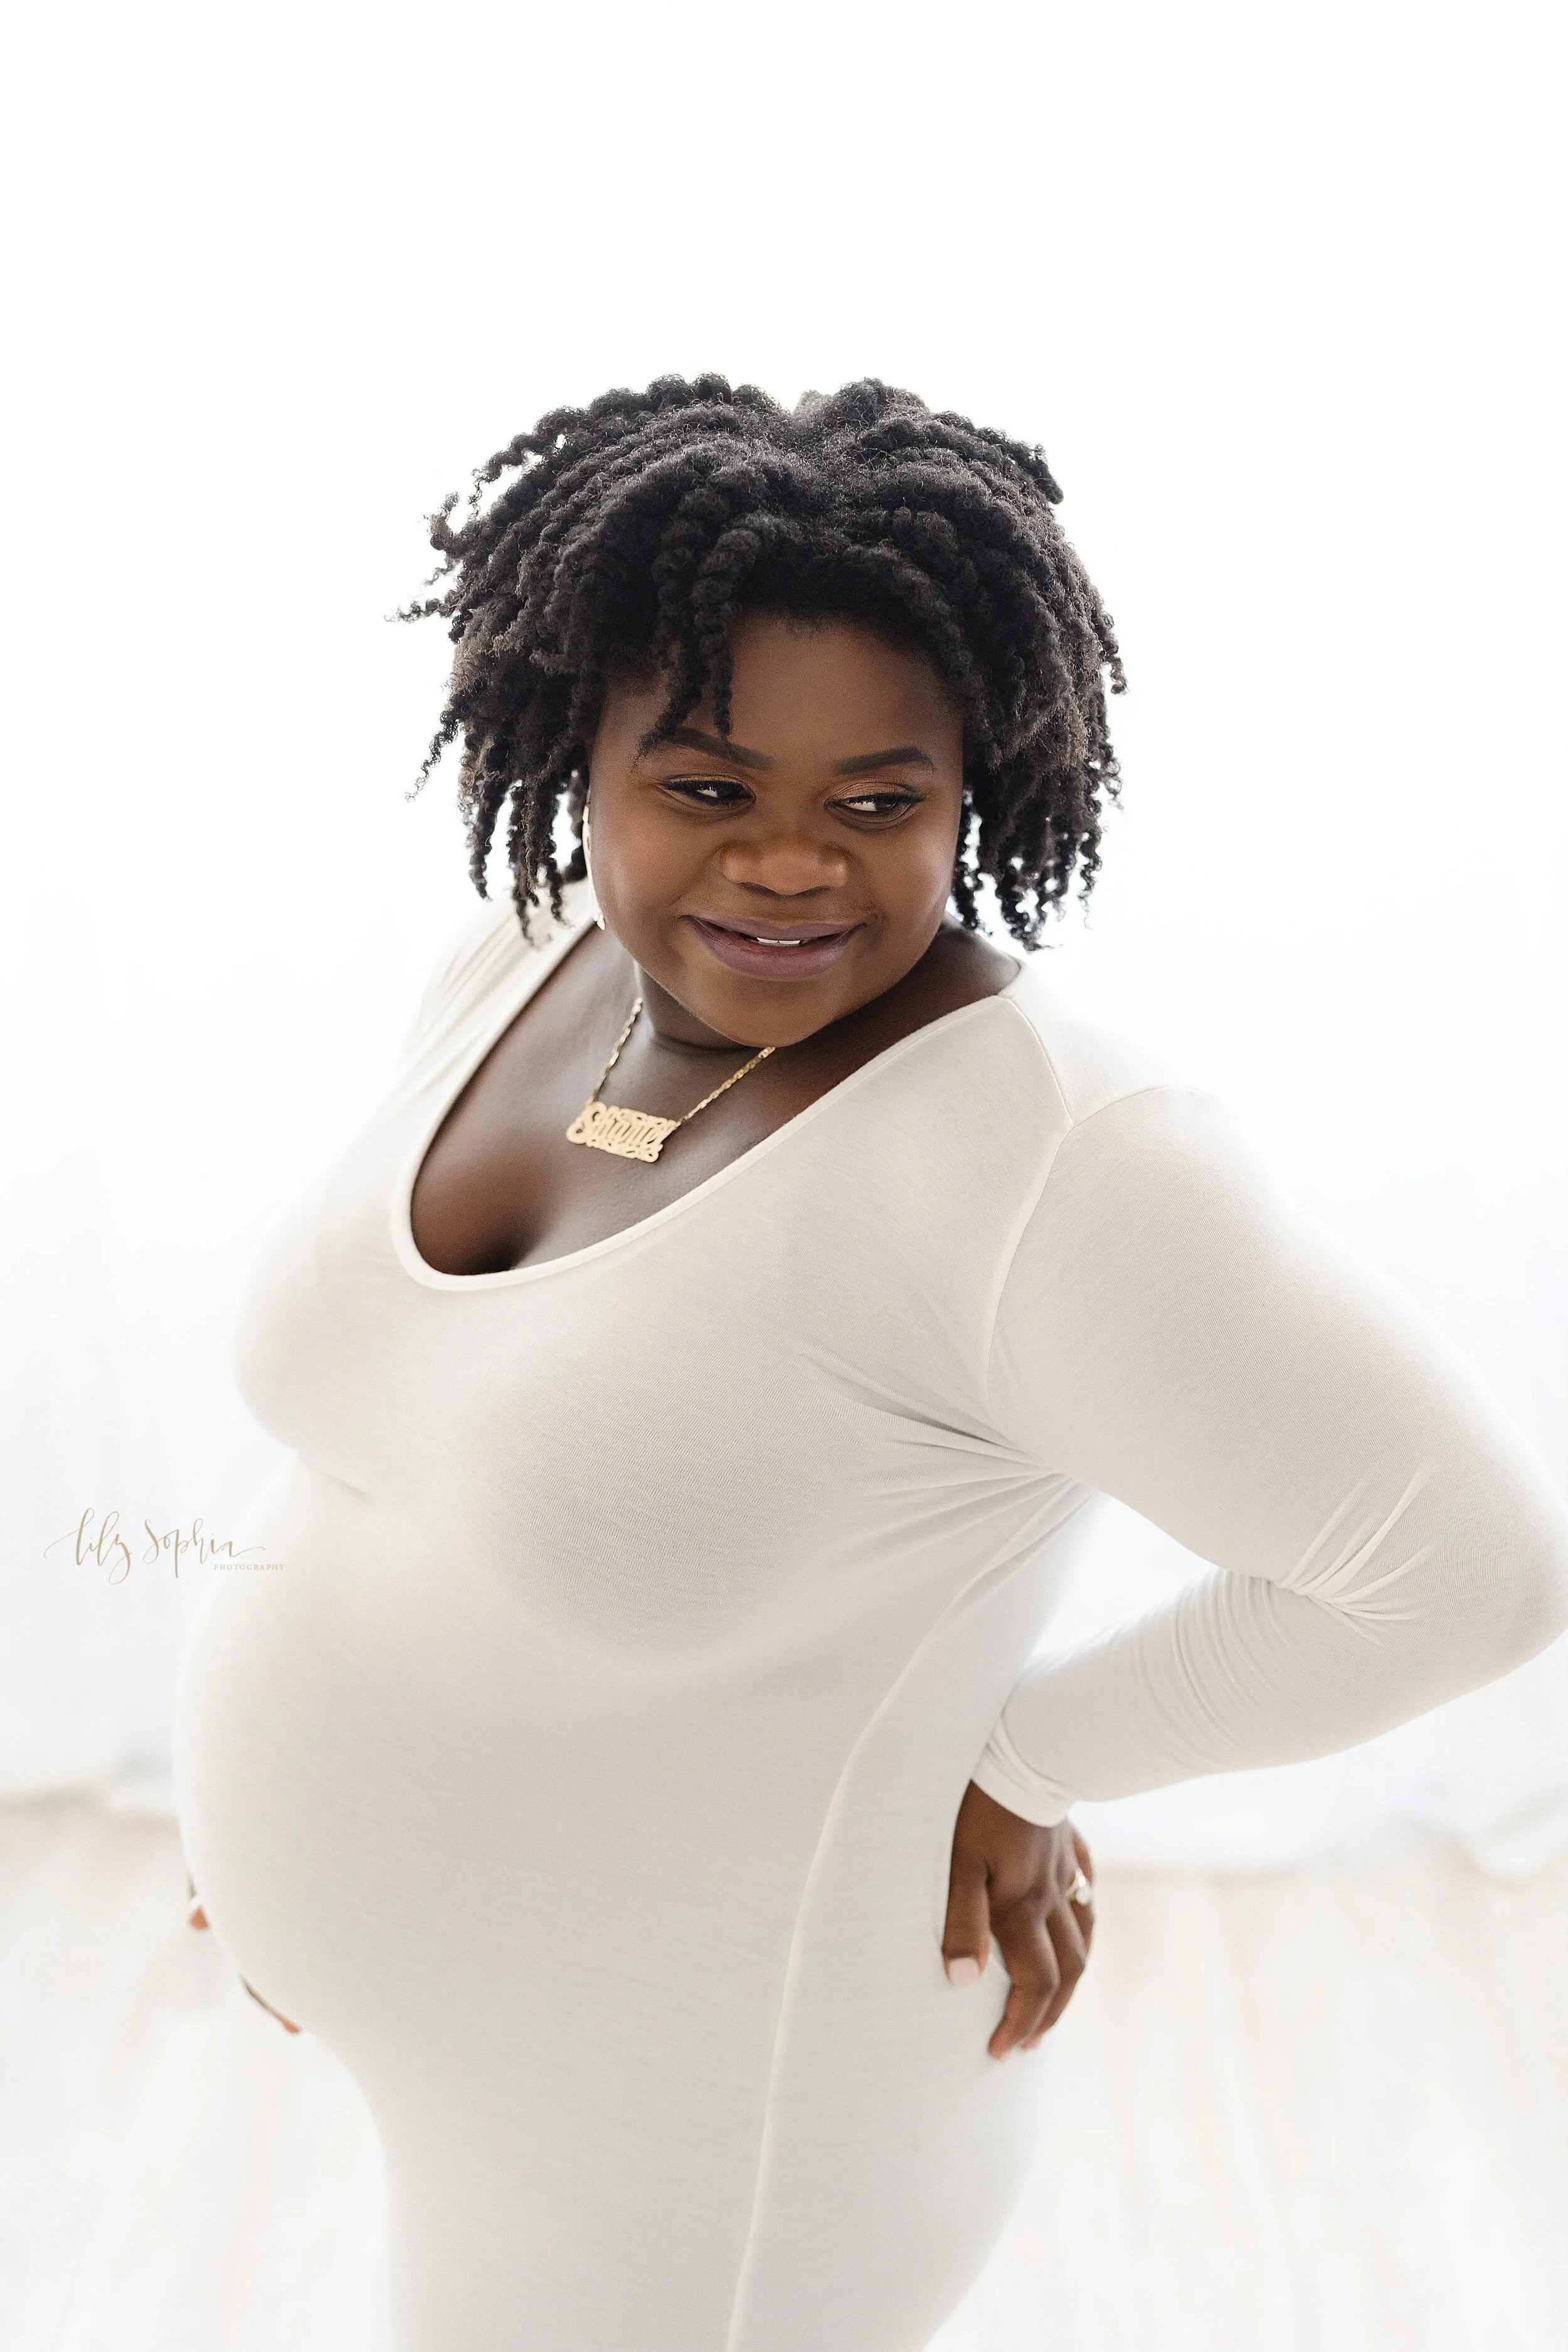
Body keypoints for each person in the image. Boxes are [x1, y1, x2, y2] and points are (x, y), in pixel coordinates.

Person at [173, 376, 1568, 2352]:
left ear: (973, 785)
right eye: (706, 787)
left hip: (697, 2112)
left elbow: (1465, 1567)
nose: (786, 867)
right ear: (577, 750)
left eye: (875, 802)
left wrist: (1028, 1763)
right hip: (449, 2015)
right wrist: (292, 1827)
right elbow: (404, 1435)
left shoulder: (1051, 1157)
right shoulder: (523, 959)